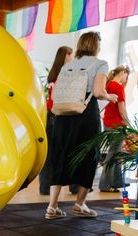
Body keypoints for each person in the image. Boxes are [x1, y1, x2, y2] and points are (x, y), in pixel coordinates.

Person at [45, 31, 118, 219]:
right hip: (85, 114)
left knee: (60, 154)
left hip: (63, 115)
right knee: (88, 155)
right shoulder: (100, 64)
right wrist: (111, 97)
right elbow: (98, 91)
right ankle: (79, 204)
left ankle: (52, 207)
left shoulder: (68, 65)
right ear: (96, 46)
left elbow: (57, 93)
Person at [39, 45, 78, 195]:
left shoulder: (53, 73)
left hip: (50, 114)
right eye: (71, 55)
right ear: (66, 56)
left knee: (50, 153)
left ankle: (45, 186)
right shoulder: (65, 73)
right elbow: (58, 96)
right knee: (69, 151)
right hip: (60, 115)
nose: (73, 58)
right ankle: (74, 186)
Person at [99, 66, 130, 192]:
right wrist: (129, 123)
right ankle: (105, 184)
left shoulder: (108, 85)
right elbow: (122, 109)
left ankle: (117, 182)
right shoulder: (118, 87)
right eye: (126, 75)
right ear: (122, 73)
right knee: (113, 154)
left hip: (107, 123)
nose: (126, 78)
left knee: (116, 154)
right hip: (117, 124)